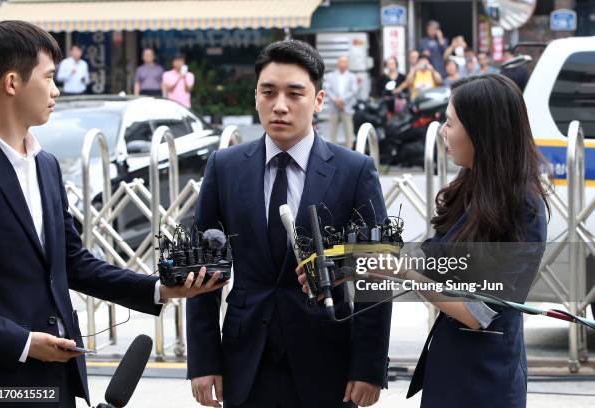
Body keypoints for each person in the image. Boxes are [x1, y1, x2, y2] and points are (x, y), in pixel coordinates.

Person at [0, 20, 226, 408]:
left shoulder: (45, 165)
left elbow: (74, 263)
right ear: (12, 83)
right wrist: (24, 344)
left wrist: (161, 289)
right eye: (48, 78)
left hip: (59, 378)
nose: (56, 90)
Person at [187, 39, 392, 408]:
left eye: (295, 94)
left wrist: (369, 366)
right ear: (256, 97)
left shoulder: (354, 171)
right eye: (269, 92)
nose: (279, 105)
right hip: (245, 358)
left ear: (318, 101)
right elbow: (204, 269)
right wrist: (203, 360)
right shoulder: (225, 166)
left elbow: (373, 275)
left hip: (328, 360)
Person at [402, 74, 549, 407]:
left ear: (482, 132)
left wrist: (405, 274)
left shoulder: (523, 207)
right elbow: (434, 261)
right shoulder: (469, 186)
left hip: (487, 381)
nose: (442, 130)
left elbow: (478, 312)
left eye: (451, 123)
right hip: (449, 367)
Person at [325, 55, 358, 147]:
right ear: (338, 63)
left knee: (349, 131)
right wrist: (336, 100)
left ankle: (350, 151)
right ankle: (332, 152)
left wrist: (342, 100)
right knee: (332, 131)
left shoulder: (352, 76)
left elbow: (354, 90)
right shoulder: (331, 76)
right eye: (341, 62)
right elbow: (328, 89)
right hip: (334, 106)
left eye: (345, 62)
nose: (343, 64)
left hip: (346, 107)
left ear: (347, 64)